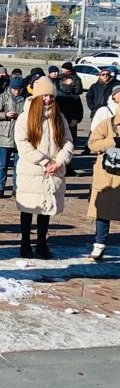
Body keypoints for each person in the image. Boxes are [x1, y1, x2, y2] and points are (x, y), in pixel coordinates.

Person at [14, 77, 73, 259]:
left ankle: (41, 243)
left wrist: (60, 161)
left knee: (46, 209)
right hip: (32, 170)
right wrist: (43, 161)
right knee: (29, 208)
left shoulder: (58, 117)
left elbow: (68, 141)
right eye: (44, 95)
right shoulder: (26, 116)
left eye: (50, 96)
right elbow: (22, 144)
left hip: (53, 171)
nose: (47, 99)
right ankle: (25, 243)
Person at [86, 91, 120, 261]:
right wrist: (112, 142)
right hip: (109, 175)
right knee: (104, 212)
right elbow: (92, 144)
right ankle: (99, 245)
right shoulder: (108, 124)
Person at [0, 77, 26, 198]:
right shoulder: (3, 97)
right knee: (3, 164)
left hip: (20, 136)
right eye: (14, 89)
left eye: (19, 89)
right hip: (5, 135)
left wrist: (20, 116)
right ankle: (0, 188)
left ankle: (16, 189)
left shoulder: (26, 99)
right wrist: (5, 115)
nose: (16, 92)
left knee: (18, 165)